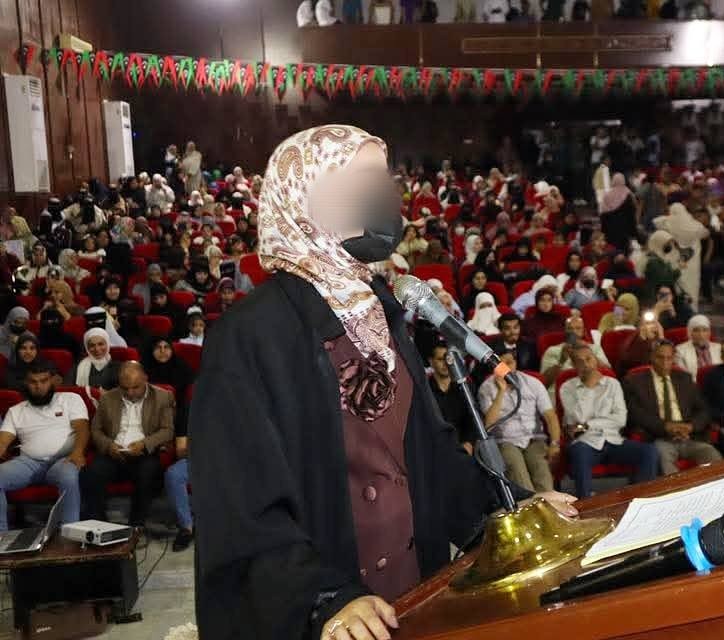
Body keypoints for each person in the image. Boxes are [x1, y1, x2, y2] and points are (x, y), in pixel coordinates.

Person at [189, 126, 575, 640]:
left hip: (411, 598)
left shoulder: (380, 312)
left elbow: (428, 456)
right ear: (307, 201)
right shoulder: (248, 336)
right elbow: (239, 505)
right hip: (331, 614)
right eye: (364, 183)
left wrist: (511, 506)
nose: (386, 197)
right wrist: (323, 599)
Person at [81, 362, 174, 526]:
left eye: (135, 387)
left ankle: (136, 526)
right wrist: (108, 445)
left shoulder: (163, 397)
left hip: (144, 452)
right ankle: (99, 525)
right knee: (93, 472)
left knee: (148, 472)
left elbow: (168, 430)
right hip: (113, 452)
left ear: (145, 379)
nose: (130, 393)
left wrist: (144, 444)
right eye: (125, 388)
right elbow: (96, 429)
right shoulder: (107, 398)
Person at [560, 344, 658, 498]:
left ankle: (641, 497)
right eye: (580, 361)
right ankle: (586, 503)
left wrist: (588, 424)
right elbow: (577, 418)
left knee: (649, 451)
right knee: (579, 453)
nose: (585, 364)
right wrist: (588, 387)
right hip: (585, 441)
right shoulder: (567, 388)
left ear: (595, 359)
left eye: (588, 359)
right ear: (574, 365)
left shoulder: (612, 384)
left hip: (614, 440)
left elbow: (620, 419)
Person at [0, 361, 88, 531]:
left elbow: (82, 429)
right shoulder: (16, 411)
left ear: (52, 380)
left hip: (63, 460)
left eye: (43, 381)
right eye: (33, 382)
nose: (38, 386)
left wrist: (78, 452)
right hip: (28, 463)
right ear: (26, 383)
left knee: (68, 475)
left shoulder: (70, 399)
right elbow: (3, 441)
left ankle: (70, 534)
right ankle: (1, 537)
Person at [623, 340, 721, 475]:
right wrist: (666, 427)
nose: (665, 362)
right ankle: (680, 489)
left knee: (711, 454)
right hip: (660, 438)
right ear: (651, 357)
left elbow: (703, 410)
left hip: (689, 437)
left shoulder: (685, 379)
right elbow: (636, 414)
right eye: (660, 357)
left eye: (669, 358)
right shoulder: (636, 382)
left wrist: (691, 426)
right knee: (664, 460)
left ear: (673, 359)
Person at [478, 349, 560, 493]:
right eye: (501, 364)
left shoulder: (533, 383)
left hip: (534, 439)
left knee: (543, 476)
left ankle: (548, 505)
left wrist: (554, 443)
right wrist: (501, 392)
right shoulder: (486, 388)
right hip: (506, 441)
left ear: (515, 363)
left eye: (509, 363)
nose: (506, 368)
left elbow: (550, 416)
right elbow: (489, 424)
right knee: (519, 475)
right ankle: (528, 505)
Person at [540, 315, 610, 394]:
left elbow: (608, 373)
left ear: (583, 331)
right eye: (570, 328)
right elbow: (545, 382)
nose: (573, 331)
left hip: (591, 393)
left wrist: (589, 352)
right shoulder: (553, 350)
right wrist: (561, 361)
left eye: (578, 328)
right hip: (561, 393)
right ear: (565, 331)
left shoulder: (595, 348)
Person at [427, 344, 473, 450]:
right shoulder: (425, 389)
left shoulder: (465, 387)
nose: (446, 363)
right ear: (431, 361)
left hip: (462, 446)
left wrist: (469, 442)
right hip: (434, 447)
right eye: (440, 359)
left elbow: (472, 419)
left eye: (449, 359)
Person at [599, 173, 639, 253]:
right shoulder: (629, 194)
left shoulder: (607, 195)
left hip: (610, 230)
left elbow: (603, 214)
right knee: (624, 252)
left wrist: (603, 230)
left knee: (611, 251)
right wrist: (633, 231)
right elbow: (632, 214)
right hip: (625, 231)